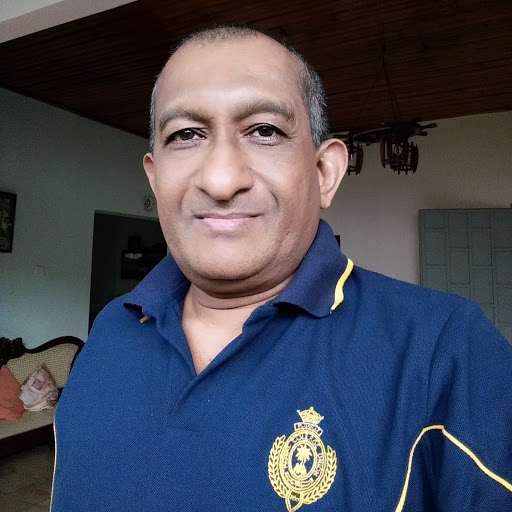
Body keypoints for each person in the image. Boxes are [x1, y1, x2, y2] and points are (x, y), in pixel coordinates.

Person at [51, 26, 512, 511]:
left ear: (324, 173)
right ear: (155, 176)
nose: (221, 179)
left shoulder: (445, 350)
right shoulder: (111, 329)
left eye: (264, 131)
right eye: (186, 134)